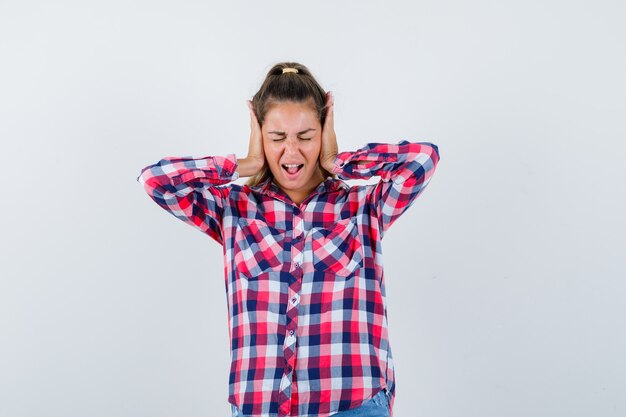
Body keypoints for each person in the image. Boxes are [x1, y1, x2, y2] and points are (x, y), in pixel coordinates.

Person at [137, 62, 440, 417]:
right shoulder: (233, 209)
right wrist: (245, 163)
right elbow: (155, 181)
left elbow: (423, 160)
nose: (292, 153)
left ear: (325, 132)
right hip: (260, 408)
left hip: (353, 404)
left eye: (306, 137)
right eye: (277, 138)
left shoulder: (363, 207)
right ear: (259, 133)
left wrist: (338, 161)